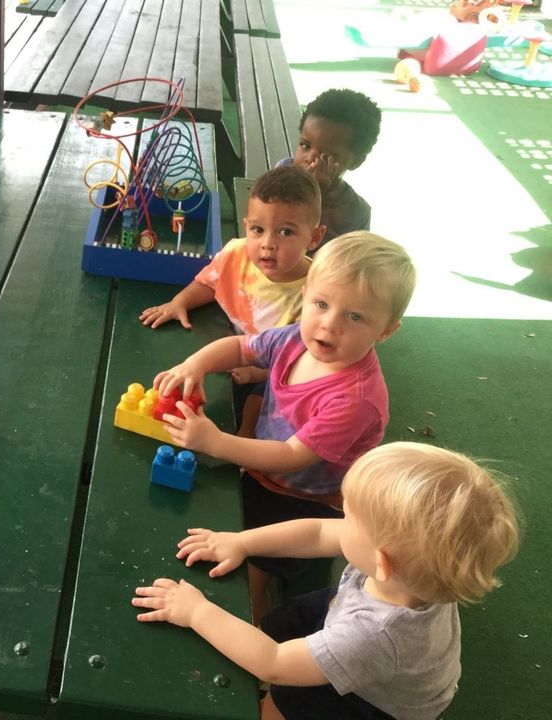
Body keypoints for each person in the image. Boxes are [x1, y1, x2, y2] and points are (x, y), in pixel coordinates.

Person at [132, 442, 520, 720]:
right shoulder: (413, 572)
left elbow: (274, 663)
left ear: (381, 563)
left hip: (369, 702)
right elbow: (318, 532)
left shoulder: (373, 636)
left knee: (287, 697)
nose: (339, 518)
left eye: (349, 516)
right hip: (352, 611)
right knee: (284, 622)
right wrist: (241, 542)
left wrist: (196, 611)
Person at [154, 232, 416, 620]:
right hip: (259, 470)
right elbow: (243, 348)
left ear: (386, 330)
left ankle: (255, 641)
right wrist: (195, 364)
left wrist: (214, 442)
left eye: (355, 316)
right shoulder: (297, 338)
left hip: (305, 501)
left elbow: (291, 456)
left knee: (246, 574)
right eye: (322, 304)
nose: (329, 324)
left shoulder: (356, 399)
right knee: (192, 519)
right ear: (307, 293)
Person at [140, 165, 326, 439]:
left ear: (314, 237)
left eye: (286, 232)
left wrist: (254, 373)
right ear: (246, 224)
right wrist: (180, 301)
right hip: (227, 340)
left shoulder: (315, 295)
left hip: (269, 368)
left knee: (268, 397)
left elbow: (298, 362)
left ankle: (247, 434)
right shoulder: (237, 252)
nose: (268, 244)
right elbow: (210, 281)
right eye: (258, 229)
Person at [277, 88, 381, 247]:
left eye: (326, 155)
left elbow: (348, 265)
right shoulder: (280, 174)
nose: (311, 157)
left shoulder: (356, 214)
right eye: (305, 145)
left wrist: (317, 195)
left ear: (356, 162)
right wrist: (311, 191)